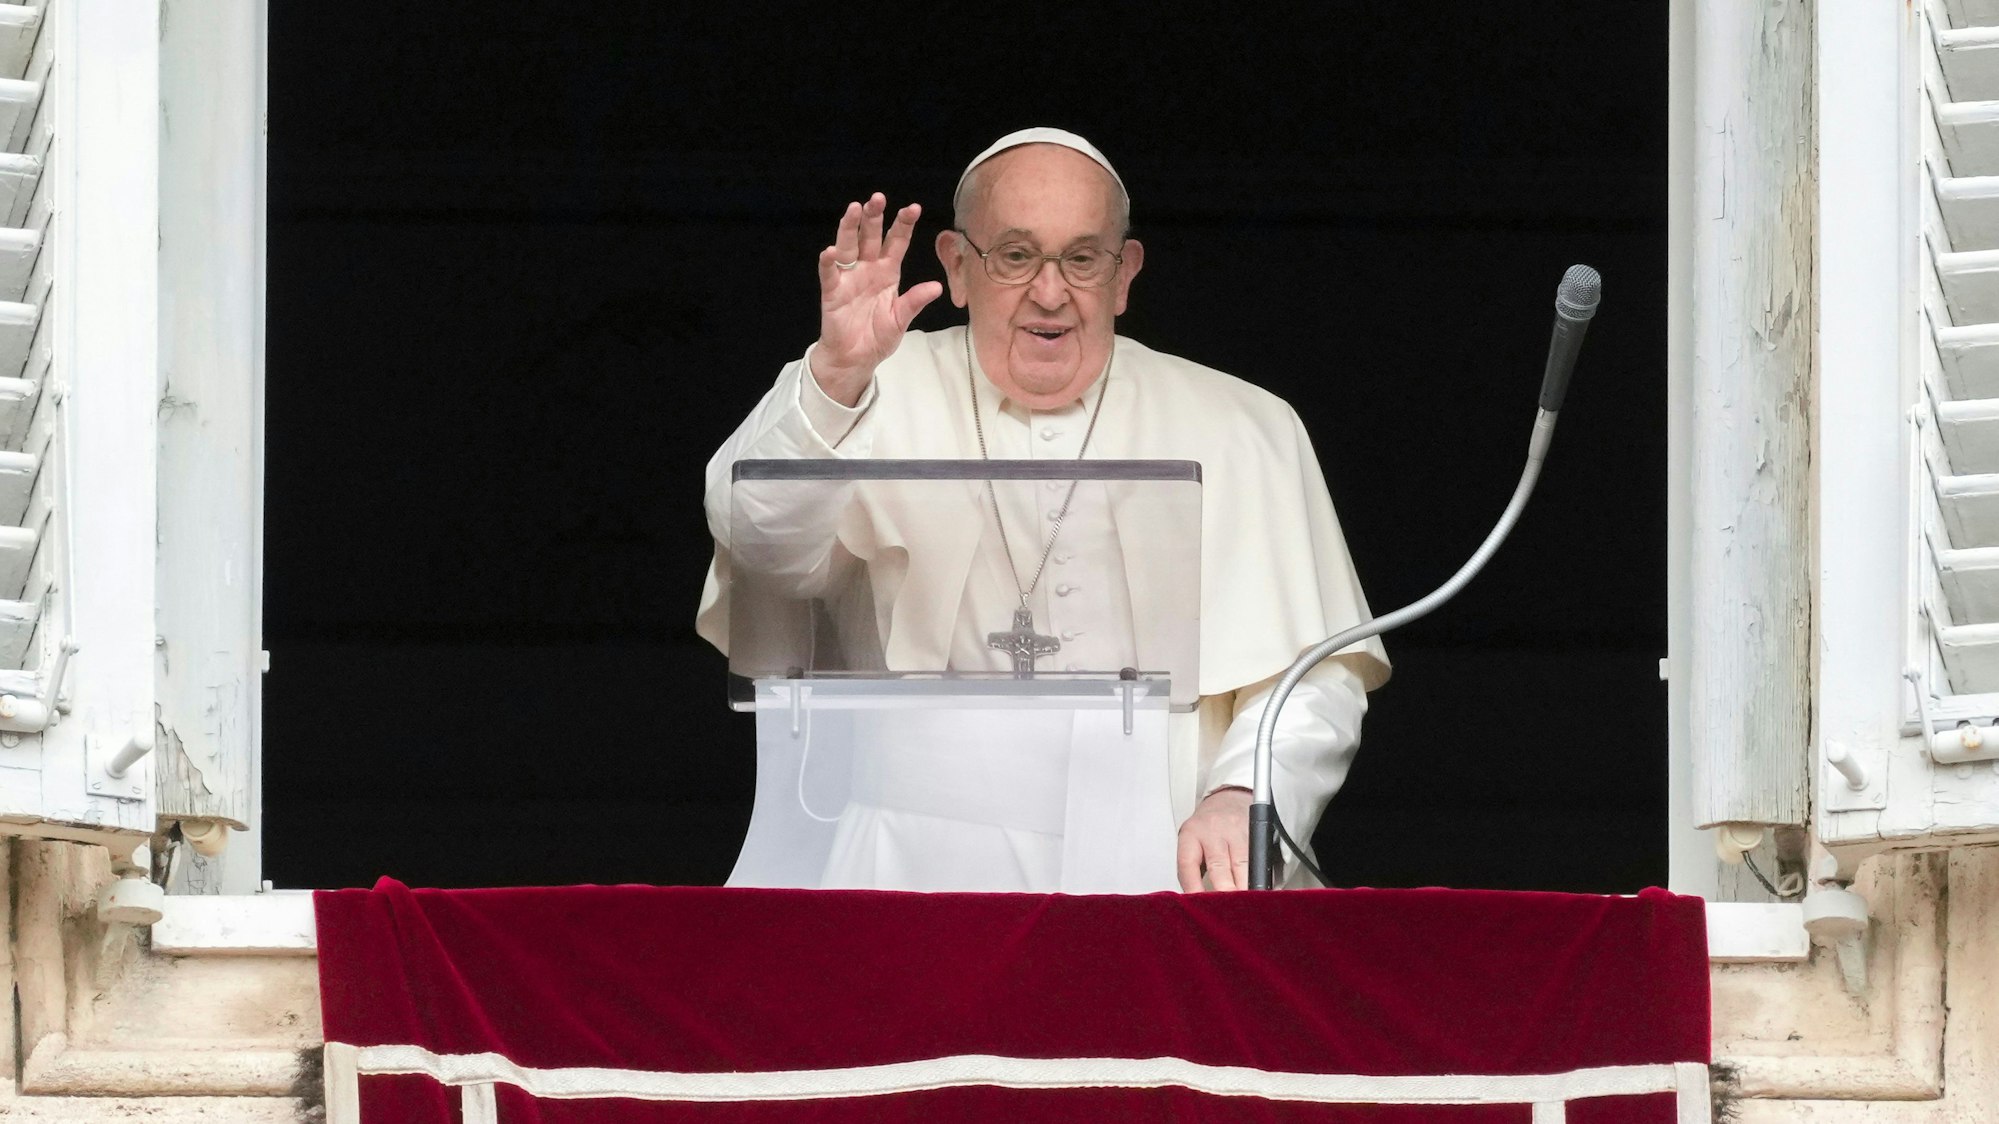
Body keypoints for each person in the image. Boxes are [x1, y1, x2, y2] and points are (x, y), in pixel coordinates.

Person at [698, 128, 1389, 891]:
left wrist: (1244, 796)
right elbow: (760, 543)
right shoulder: (866, 389)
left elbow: (1313, 676)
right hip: (914, 859)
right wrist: (833, 375)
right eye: (1016, 256)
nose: (1050, 292)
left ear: (1123, 275)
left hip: (1156, 851)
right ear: (958, 267)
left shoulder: (1243, 424)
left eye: (1082, 258)